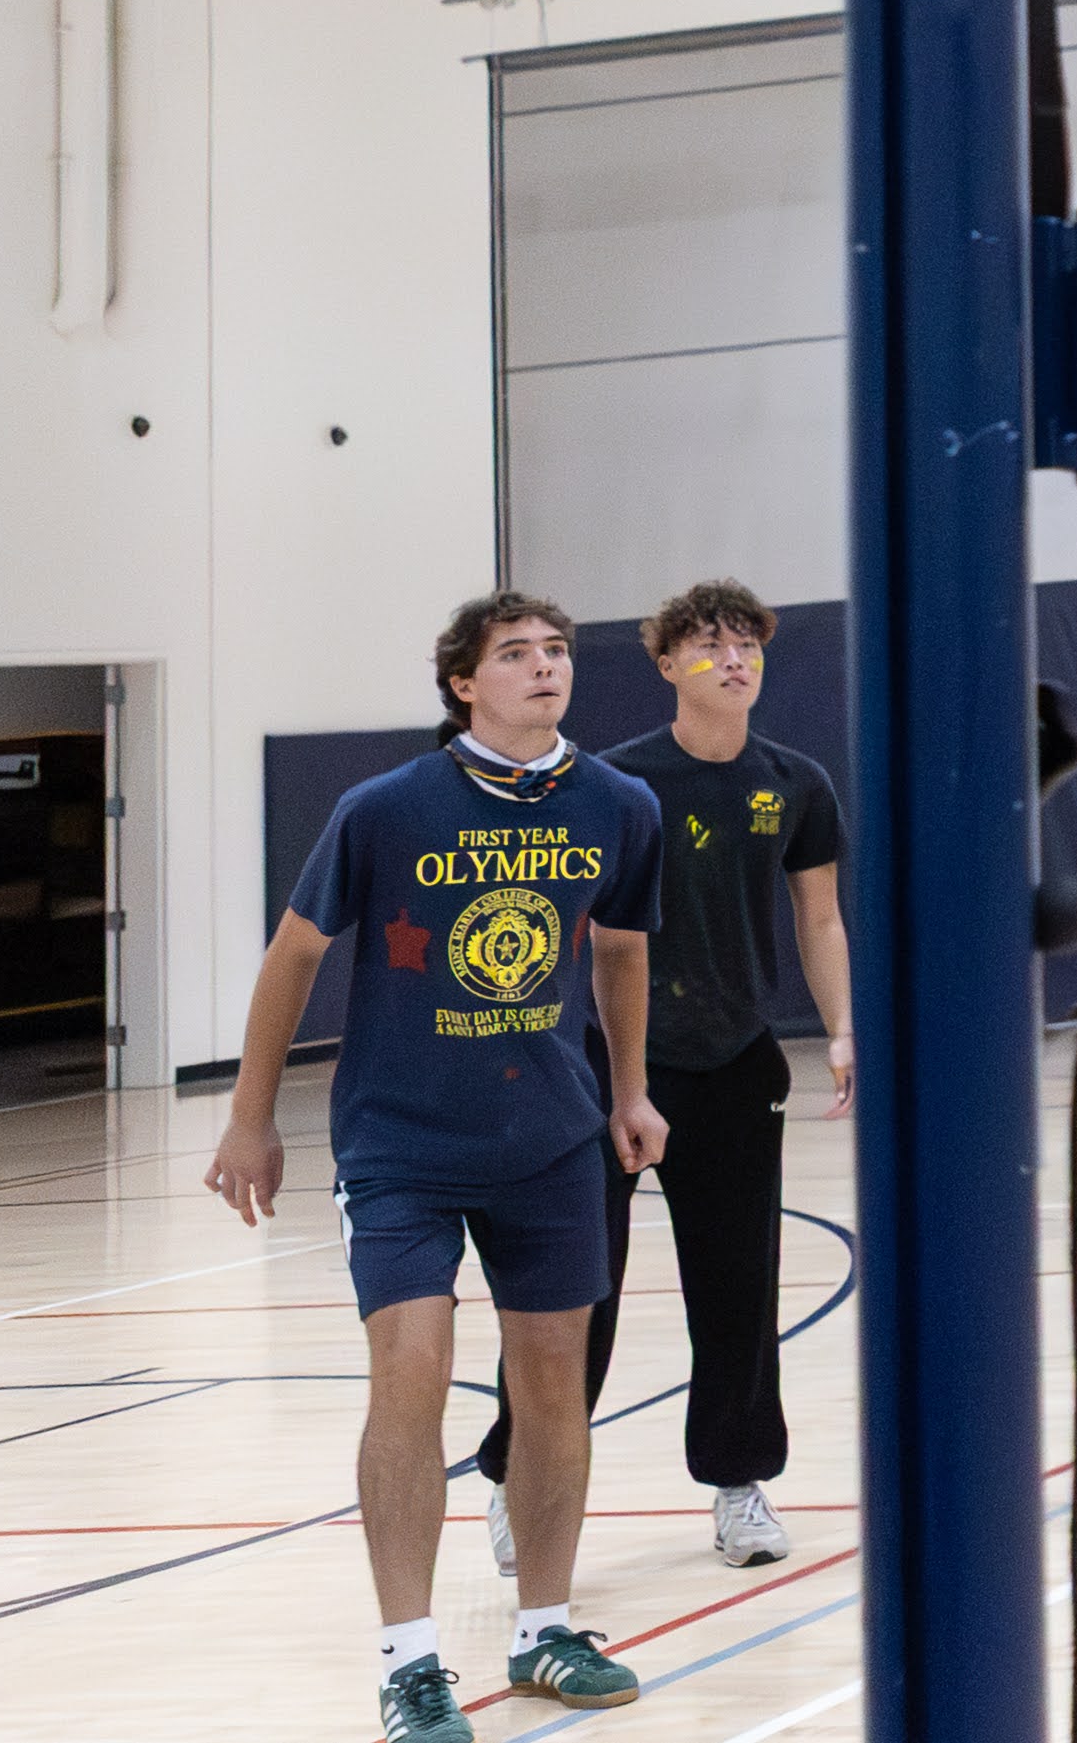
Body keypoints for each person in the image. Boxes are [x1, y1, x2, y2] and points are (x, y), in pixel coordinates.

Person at [205, 592, 666, 1740]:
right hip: (400, 1138)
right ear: (464, 681)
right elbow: (293, 954)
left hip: (551, 1135)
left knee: (552, 1377)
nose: (545, 668)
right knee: (411, 1364)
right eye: (516, 654)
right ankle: (410, 1659)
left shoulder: (620, 803)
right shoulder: (386, 807)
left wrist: (629, 1089)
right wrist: (250, 1117)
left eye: (557, 651)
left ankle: (544, 1627)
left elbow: (620, 951)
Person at [465, 581, 848, 1576]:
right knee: (575, 1287)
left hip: (735, 1062)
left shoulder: (796, 780)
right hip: (603, 1066)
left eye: (746, 646)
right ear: (667, 663)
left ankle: (738, 1482)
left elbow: (819, 919)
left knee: (737, 1283)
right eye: (708, 647)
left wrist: (844, 1025)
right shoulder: (612, 781)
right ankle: (517, 1476)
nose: (732, 661)